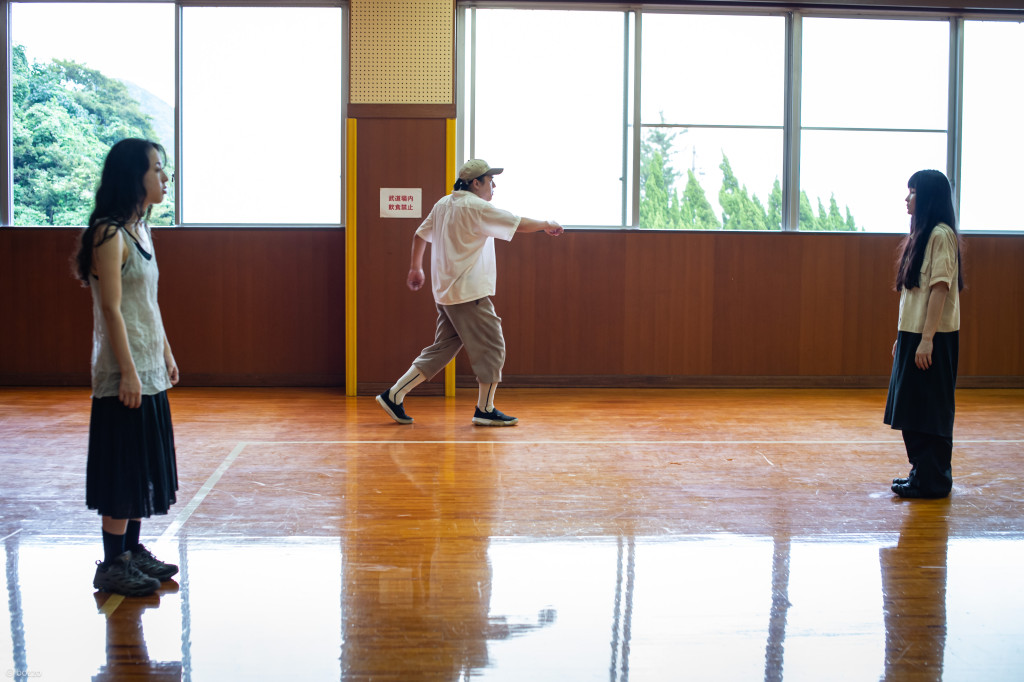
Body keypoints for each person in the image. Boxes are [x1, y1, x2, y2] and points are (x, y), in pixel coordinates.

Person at [376, 159, 563, 426]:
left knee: (442, 349)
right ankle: (485, 409)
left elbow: (420, 235)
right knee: (492, 345)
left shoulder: (444, 203)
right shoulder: (477, 207)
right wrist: (547, 222)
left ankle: (394, 395)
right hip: (468, 293)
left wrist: (415, 268)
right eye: (490, 180)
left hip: (446, 293)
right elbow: (517, 223)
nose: (494, 185)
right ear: (476, 183)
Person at [74, 138, 180, 595]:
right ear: (132, 176)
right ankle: (112, 563)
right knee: (121, 469)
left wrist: (165, 351)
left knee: (142, 465)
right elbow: (113, 310)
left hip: (149, 366)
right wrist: (130, 370)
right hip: (123, 373)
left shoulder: (142, 231)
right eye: (156, 169)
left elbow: (148, 304)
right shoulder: (108, 233)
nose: (163, 178)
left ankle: (133, 552)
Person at [884, 169, 963, 499]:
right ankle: (921, 474)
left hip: (933, 337)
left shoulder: (941, 235)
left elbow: (940, 287)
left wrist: (927, 338)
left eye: (912, 192)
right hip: (913, 335)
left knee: (930, 410)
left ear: (928, 198)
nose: (907, 198)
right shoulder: (923, 235)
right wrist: (904, 338)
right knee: (911, 409)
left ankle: (934, 480)